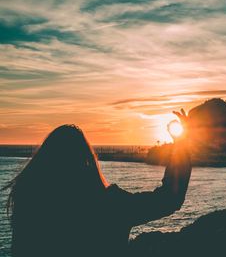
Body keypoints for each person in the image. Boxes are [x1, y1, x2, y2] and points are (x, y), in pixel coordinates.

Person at [4, 109, 192, 257]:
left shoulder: (30, 203)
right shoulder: (110, 205)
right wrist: (182, 145)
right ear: (87, 162)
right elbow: (169, 199)